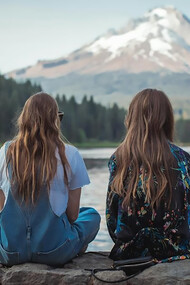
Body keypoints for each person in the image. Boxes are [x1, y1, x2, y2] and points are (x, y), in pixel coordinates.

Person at [0, 92, 100, 266]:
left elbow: (2, 209)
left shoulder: (6, 152)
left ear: (24, 119)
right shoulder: (70, 154)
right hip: (54, 251)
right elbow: (72, 216)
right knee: (91, 215)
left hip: (11, 252)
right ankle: (76, 247)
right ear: (55, 120)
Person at [106, 88, 190, 262]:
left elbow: (111, 217)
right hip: (175, 250)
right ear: (167, 119)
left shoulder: (119, 158)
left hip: (130, 252)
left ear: (132, 117)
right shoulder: (183, 159)